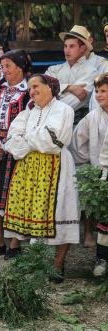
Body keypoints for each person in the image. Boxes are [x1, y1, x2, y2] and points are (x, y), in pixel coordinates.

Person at [3, 74, 79, 282]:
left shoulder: (64, 109)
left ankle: (57, 265)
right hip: (29, 169)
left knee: (60, 212)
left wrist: (27, 139)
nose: (32, 91)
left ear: (50, 87)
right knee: (34, 216)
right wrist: (32, 139)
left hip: (57, 167)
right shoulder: (29, 112)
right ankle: (38, 265)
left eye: (36, 86)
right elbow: (11, 140)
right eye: (29, 89)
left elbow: (53, 140)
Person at [0, 50, 32, 258]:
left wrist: (9, 144)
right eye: (3, 66)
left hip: (18, 149)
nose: (4, 70)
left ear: (20, 68)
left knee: (15, 195)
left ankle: (14, 242)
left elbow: (32, 121)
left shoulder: (30, 90)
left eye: (8, 66)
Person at [70, 73, 108, 274]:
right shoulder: (93, 116)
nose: (99, 95)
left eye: (103, 91)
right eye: (98, 91)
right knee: (104, 219)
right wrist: (91, 166)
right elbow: (78, 143)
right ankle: (101, 259)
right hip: (102, 173)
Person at [45, 25, 96, 119]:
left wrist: (50, 98)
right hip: (47, 117)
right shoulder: (53, 69)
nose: (67, 50)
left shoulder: (91, 72)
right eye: (65, 46)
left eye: (72, 46)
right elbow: (43, 89)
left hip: (77, 123)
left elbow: (71, 102)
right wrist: (69, 87)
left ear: (83, 48)